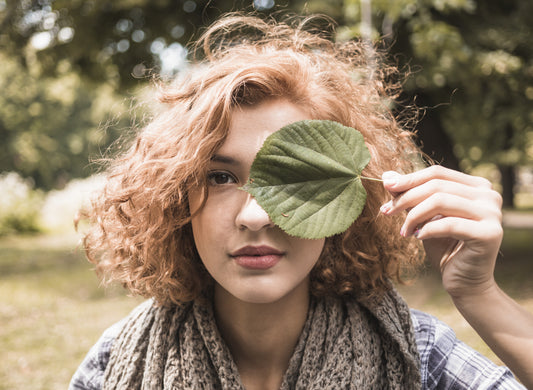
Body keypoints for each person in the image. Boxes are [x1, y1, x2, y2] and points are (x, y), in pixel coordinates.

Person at [69, 13, 528, 389]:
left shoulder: (417, 355)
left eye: (296, 177)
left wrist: (480, 295)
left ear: (346, 199)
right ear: (174, 197)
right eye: (221, 177)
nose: (256, 215)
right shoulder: (115, 363)